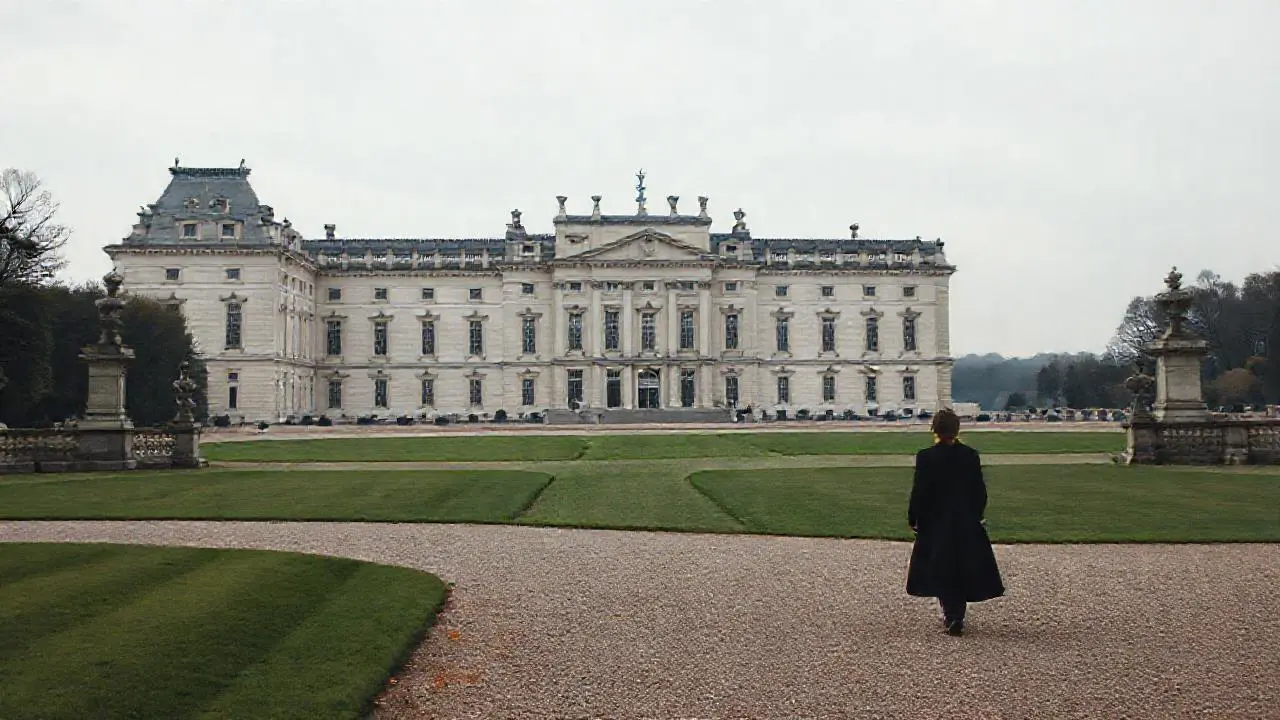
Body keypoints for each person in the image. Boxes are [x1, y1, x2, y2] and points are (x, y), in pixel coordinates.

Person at [906, 409, 1005, 636]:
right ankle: (955, 614)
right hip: (964, 519)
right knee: (961, 565)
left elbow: (919, 491)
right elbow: (979, 491)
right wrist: (976, 513)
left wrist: (914, 517)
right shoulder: (970, 455)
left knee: (942, 566)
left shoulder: (926, 456)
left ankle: (952, 614)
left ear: (935, 430)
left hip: (935, 520)